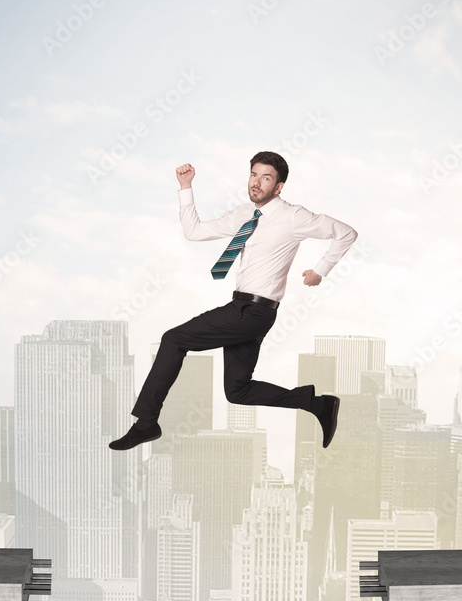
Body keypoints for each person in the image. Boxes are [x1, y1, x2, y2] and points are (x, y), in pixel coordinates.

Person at [110, 150, 357, 451]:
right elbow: (194, 231)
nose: (257, 182)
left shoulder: (293, 217)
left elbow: (346, 233)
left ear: (278, 187)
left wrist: (320, 271)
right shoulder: (243, 215)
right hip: (244, 307)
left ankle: (146, 423)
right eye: (254, 175)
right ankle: (317, 404)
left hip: (253, 311)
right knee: (237, 391)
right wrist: (186, 187)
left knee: (173, 340)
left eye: (266, 178)